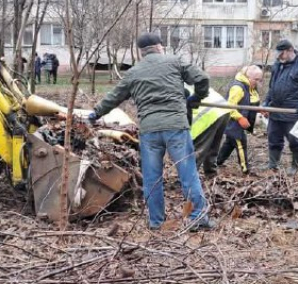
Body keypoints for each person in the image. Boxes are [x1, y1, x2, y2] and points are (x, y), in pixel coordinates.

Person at [89, 32, 215, 231]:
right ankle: (198, 217)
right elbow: (201, 78)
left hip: (149, 130)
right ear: (160, 47)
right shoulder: (174, 61)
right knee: (187, 173)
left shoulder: (134, 72)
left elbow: (113, 97)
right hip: (176, 127)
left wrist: (94, 114)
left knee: (152, 178)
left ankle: (156, 222)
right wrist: (197, 96)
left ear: (141, 53)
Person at [263, 39, 298, 173]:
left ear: (290, 50)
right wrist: (266, 102)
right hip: (275, 109)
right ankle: (273, 164)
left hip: (293, 111)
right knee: (273, 137)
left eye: (281, 54)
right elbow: (272, 86)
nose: (279, 57)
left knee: (295, 140)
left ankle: (295, 166)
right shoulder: (278, 64)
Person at [216, 65, 264, 174]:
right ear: (248, 77)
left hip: (237, 122)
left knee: (229, 144)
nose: (257, 82)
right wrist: (240, 118)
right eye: (256, 79)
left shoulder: (250, 87)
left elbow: (250, 102)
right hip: (232, 122)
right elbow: (229, 107)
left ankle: (217, 161)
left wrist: (260, 109)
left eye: (259, 80)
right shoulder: (238, 88)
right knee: (241, 143)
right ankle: (245, 170)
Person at [187, 86, 232, 175]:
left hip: (208, 113)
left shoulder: (173, 86)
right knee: (213, 146)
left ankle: (189, 178)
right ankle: (211, 173)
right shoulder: (187, 78)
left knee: (199, 149)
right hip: (223, 108)